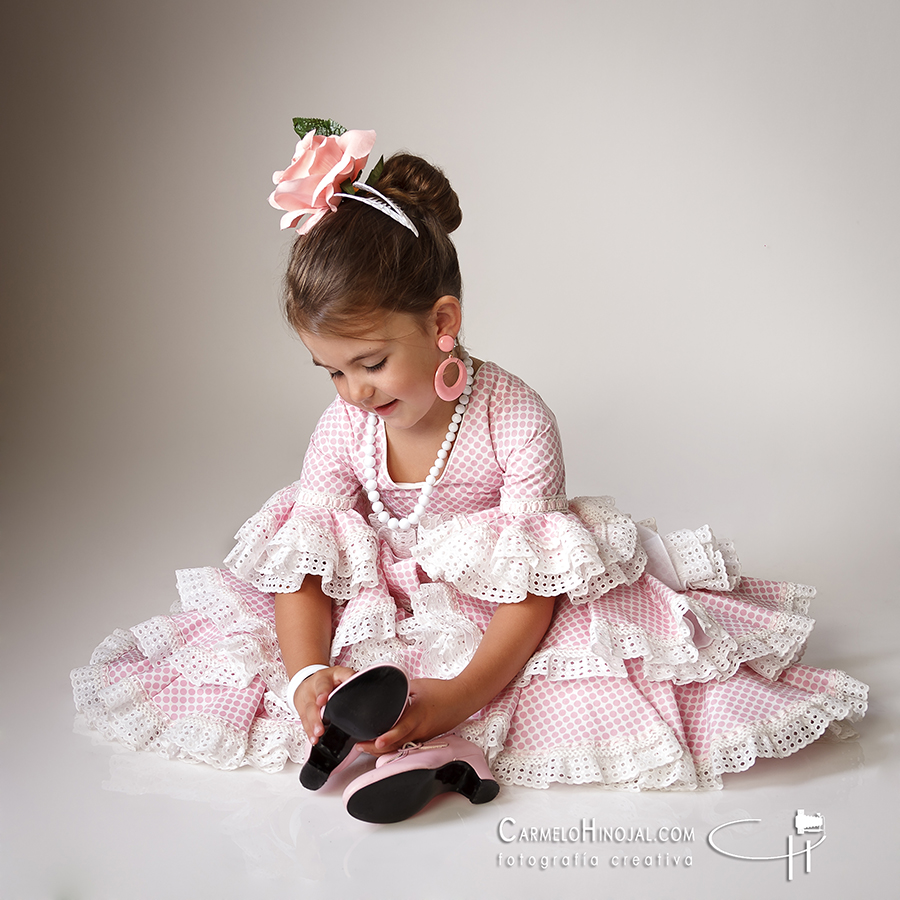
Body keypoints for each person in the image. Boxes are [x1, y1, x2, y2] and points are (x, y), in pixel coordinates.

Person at [72, 121, 868, 823]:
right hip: (390, 595)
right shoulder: (344, 426)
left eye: (371, 363)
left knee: (562, 667)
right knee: (318, 657)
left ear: (442, 323)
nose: (354, 392)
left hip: (500, 614)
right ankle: (367, 731)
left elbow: (531, 596)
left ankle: (448, 741)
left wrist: (461, 690)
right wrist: (306, 674)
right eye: (331, 372)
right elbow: (304, 566)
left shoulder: (514, 418)